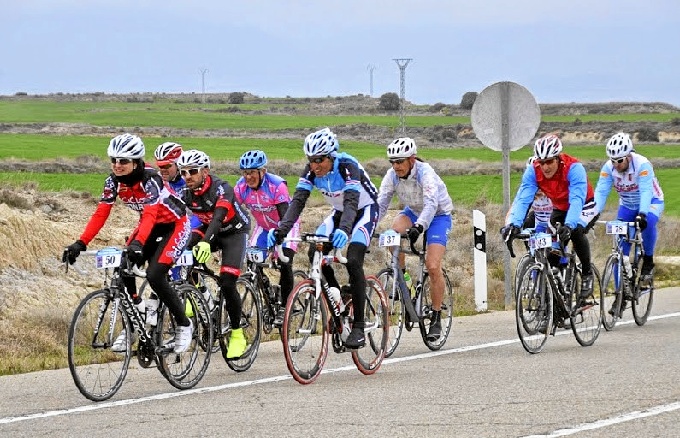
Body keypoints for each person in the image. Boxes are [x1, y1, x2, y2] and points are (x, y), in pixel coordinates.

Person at [62, 133, 193, 353]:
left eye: (123, 160)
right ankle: (136, 319)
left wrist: (138, 243)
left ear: (136, 161)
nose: (117, 165)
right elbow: (101, 213)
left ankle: (184, 325)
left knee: (155, 275)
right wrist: (81, 242)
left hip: (174, 225)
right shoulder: (113, 181)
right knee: (123, 269)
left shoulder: (151, 178)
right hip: (149, 226)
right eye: (113, 160)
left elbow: (151, 213)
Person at [267, 127, 379, 349]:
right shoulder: (310, 171)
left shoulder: (347, 166)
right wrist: (281, 230)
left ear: (331, 156)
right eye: (311, 160)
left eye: (319, 160)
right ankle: (337, 296)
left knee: (353, 259)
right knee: (314, 252)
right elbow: (297, 202)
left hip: (364, 210)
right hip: (340, 213)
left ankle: (359, 326)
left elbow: (351, 202)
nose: (315, 165)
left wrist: (345, 230)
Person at [502, 134, 599, 306]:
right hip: (560, 208)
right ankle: (556, 298)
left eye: (549, 162)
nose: (545, 167)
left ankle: (587, 274)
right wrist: (514, 224)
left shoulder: (574, 168)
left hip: (585, 206)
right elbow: (523, 199)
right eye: (542, 162)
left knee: (576, 230)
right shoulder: (533, 170)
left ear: (558, 158)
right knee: (551, 251)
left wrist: (569, 225)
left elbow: (576, 199)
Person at [375, 137, 453, 341]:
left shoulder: (425, 173)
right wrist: (368, 227)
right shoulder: (392, 176)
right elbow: (381, 204)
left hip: (438, 215)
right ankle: (404, 281)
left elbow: (431, 203)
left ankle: (436, 316)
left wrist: (419, 226)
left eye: (400, 161)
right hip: (413, 211)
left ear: (412, 159)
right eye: (392, 162)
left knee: (432, 265)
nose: (396, 166)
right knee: (393, 234)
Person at [176, 149, 251, 359]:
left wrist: (206, 243)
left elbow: (218, 218)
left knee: (227, 282)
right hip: (208, 228)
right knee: (182, 249)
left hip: (234, 231)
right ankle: (196, 293)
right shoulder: (185, 193)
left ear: (205, 171)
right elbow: (174, 218)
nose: (187, 176)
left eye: (192, 171)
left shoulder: (221, 188)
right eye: (183, 172)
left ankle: (237, 334)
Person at [234, 150, 301, 326]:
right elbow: (232, 211)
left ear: (262, 171)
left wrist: (279, 237)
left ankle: (286, 306)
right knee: (251, 261)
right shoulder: (241, 186)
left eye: (252, 172)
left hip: (286, 225)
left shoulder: (276, 185)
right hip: (263, 228)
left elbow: (285, 216)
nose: (248, 177)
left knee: (284, 262)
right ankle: (267, 290)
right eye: (245, 172)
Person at [594, 132, 664, 293]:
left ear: (628, 156)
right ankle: (621, 292)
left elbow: (646, 191)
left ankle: (648, 260)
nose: (616, 165)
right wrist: (592, 214)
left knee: (648, 223)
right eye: (613, 160)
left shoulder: (642, 165)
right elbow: (601, 192)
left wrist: (643, 214)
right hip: (627, 205)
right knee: (620, 249)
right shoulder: (608, 168)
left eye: (619, 160)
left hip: (651, 202)